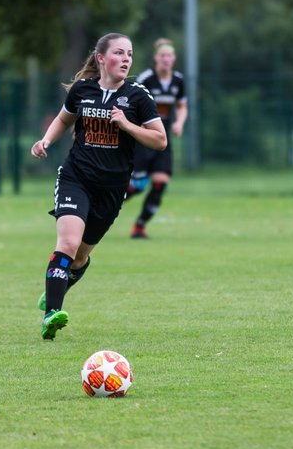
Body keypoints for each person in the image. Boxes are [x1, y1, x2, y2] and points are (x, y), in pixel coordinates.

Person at [30, 33, 165, 340]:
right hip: (76, 178)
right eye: (120, 53)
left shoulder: (138, 96)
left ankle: (58, 283)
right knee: (66, 244)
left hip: (112, 189)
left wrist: (127, 125)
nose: (127, 59)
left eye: (130, 53)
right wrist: (46, 141)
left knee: (79, 256)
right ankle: (52, 313)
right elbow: (65, 119)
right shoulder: (82, 89)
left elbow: (160, 140)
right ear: (102, 58)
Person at [126, 38, 188, 239]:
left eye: (169, 56)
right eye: (162, 56)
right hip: (144, 141)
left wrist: (179, 123)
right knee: (137, 186)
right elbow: (131, 103)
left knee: (160, 183)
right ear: (155, 58)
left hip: (163, 140)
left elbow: (182, 106)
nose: (166, 59)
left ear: (174, 58)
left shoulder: (178, 80)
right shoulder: (146, 79)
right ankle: (101, 205)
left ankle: (140, 226)